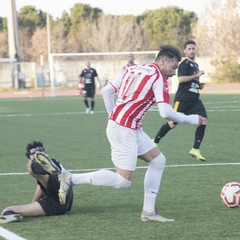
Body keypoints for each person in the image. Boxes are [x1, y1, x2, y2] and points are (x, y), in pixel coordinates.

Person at [58, 45, 206, 223]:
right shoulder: (158, 77)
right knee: (123, 181)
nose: (173, 73)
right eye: (173, 67)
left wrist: (113, 116)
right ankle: (70, 178)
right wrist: (192, 119)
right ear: (163, 61)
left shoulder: (131, 68)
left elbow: (107, 91)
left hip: (129, 127)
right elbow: (165, 112)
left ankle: (148, 212)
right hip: (124, 129)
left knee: (158, 160)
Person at [153, 40, 207, 161]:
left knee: (203, 121)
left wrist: (198, 84)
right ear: (185, 51)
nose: (192, 51)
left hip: (194, 100)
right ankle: (155, 141)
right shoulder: (184, 63)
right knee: (172, 123)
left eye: (193, 48)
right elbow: (181, 79)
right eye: (189, 49)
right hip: (183, 99)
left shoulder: (195, 65)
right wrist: (196, 76)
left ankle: (195, 149)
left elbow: (191, 81)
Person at [0, 141, 73, 224]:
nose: (36, 156)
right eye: (34, 154)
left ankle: (15, 215)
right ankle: (43, 168)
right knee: (39, 171)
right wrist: (34, 204)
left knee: (7, 210)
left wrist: (33, 204)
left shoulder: (34, 166)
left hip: (55, 204)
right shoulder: (55, 162)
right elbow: (40, 187)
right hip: (67, 199)